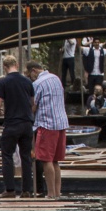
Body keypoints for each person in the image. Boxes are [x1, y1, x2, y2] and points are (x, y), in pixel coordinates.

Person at [0, 54, 35, 198]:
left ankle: (10, 190)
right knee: (26, 157)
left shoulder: (2, 82)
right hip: (27, 123)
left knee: (7, 156)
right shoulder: (27, 81)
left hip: (12, 123)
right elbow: (32, 103)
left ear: (5, 67)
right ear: (16, 65)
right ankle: (27, 191)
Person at [28, 60, 68, 198]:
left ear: (33, 71)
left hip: (47, 124)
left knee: (46, 160)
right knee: (55, 160)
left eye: (30, 74)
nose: (30, 78)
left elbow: (33, 106)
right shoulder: (56, 78)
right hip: (61, 123)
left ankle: (50, 194)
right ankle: (57, 193)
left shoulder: (37, 83)